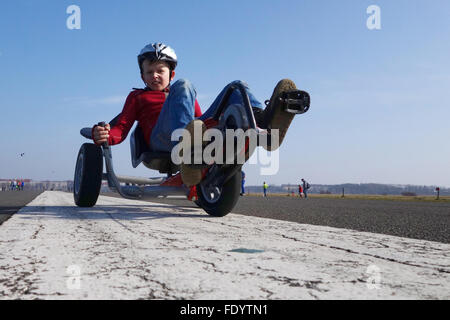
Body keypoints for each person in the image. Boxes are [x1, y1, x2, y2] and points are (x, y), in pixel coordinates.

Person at [92, 42, 303, 187]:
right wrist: (105, 135)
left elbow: (200, 122)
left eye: (160, 71)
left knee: (237, 87)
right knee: (185, 86)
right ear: (142, 75)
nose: (154, 76)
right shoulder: (138, 97)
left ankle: (265, 127)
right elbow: (121, 126)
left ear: (170, 74)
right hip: (162, 140)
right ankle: (186, 149)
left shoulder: (180, 94)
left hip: (192, 135)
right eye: (149, 72)